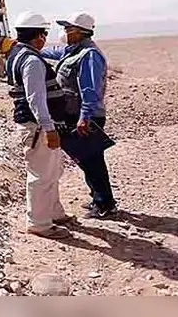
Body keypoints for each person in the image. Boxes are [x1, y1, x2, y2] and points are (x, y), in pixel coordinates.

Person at [40, 12, 117, 219]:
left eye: (68, 29)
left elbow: (90, 90)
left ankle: (104, 204)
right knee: (84, 159)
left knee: (92, 160)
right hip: (75, 114)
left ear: (80, 32)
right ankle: (98, 197)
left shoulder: (89, 55)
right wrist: (32, 48)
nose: (65, 32)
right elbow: (54, 52)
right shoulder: (73, 51)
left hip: (85, 116)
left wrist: (85, 118)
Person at [4, 11, 74, 239]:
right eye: (44, 33)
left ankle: (54, 212)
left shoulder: (17, 54)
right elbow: (36, 98)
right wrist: (49, 128)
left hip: (38, 125)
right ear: (38, 36)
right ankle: (40, 223)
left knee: (52, 171)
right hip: (38, 127)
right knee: (42, 175)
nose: (45, 38)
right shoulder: (32, 61)